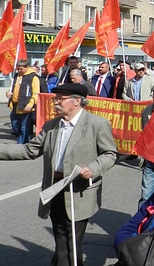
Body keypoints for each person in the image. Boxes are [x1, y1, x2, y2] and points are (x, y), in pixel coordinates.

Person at [0, 83, 117, 266]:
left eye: (60, 98)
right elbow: (29, 150)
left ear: (76, 101)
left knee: (68, 242)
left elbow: (110, 154)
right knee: (63, 239)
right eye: (56, 98)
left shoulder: (97, 124)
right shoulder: (51, 125)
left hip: (79, 191)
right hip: (54, 189)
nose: (55, 102)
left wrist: (93, 168)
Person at [6, 59, 40, 144]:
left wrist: (31, 104)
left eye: (21, 69)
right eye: (18, 69)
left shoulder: (33, 77)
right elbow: (12, 88)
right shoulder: (16, 76)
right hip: (15, 105)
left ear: (26, 67)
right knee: (15, 125)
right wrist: (8, 93)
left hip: (26, 105)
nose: (19, 71)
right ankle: (26, 140)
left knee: (24, 128)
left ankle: (21, 145)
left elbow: (36, 92)